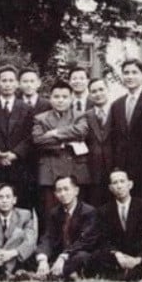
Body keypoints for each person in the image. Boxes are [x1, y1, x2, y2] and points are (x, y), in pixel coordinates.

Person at [0, 65, 34, 210]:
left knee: (20, 208)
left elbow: (30, 136)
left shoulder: (26, 109)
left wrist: (15, 154)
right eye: (4, 80)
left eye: (11, 80)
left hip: (19, 168)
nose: (7, 84)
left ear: (17, 84)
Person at [32, 80, 88, 222]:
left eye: (64, 97)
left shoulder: (79, 115)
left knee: (76, 214)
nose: (60, 100)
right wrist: (64, 143)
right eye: (56, 97)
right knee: (50, 213)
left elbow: (81, 131)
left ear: (71, 98)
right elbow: (38, 140)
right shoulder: (41, 118)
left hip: (74, 169)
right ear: (50, 98)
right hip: (50, 171)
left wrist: (55, 132)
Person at [86, 170, 142, 280]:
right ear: (110, 188)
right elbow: (104, 238)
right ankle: (127, 273)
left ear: (130, 184)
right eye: (115, 183)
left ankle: (133, 271)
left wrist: (138, 259)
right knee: (96, 256)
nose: (119, 186)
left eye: (122, 181)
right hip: (118, 255)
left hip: (139, 253)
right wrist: (117, 254)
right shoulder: (104, 211)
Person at [33, 175, 100, 282]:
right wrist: (43, 258)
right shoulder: (54, 213)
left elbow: (85, 241)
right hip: (59, 254)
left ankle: (52, 274)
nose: (63, 194)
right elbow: (48, 237)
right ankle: (60, 273)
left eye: (66, 189)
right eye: (59, 190)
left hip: (78, 253)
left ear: (76, 191)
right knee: (36, 254)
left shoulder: (88, 211)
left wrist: (64, 256)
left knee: (81, 257)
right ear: (55, 194)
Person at [59, 77, 114, 207]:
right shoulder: (86, 115)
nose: (98, 94)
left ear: (108, 90)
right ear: (89, 94)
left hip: (114, 166)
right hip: (92, 169)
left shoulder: (116, 111)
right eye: (94, 91)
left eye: (101, 89)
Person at [110, 59, 142, 200]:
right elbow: (115, 138)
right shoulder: (117, 105)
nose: (130, 76)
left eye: (134, 72)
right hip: (123, 168)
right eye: (126, 73)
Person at [0, 182, 38, 281]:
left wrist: (10, 254)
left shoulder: (24, 215)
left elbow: (30, 241)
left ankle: (3, 271)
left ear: (14, 200)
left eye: (8, 197)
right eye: (0, 197)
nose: (4, 201)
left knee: (19, 234)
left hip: (16, 257)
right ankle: (5, 272)